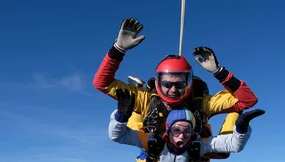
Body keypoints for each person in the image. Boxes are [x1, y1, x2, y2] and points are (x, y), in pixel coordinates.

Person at [92, 17, 257, 139]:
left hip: (189, 148)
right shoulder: (146, 100)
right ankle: (135, 88)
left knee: (217, 153)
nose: (173, 89)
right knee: (138, 128)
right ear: (157, 83)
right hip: (156, 144)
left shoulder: (203, 104)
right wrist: (118, 49)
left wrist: (219, 72)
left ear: (189, 83)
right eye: (166, 84)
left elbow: (248, 100)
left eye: (180, 84)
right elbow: (101, 83)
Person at [108, 89, 265, 162]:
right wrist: (122, 116)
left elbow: (233, 144)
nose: (182, 136)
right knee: (140, 129)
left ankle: (233, 111)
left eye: (187, 131)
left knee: (222, 151)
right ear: (167, 131)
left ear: (192, 132)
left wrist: (240, 126)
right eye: (176, 130)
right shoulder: (155, 142)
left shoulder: (197, 144)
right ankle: (138, 91)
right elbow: (118, 136)